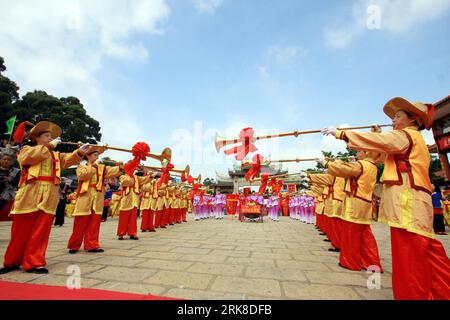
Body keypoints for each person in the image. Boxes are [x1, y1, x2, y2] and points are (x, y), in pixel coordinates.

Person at [322, 96, 450, 300]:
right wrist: (377, 133)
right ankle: (441, 291)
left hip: (408, 203)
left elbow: (381, 144)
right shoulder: (408, 139)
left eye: (398, 116)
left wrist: (341, 133)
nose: (393, 120)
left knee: (410, 255)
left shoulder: (406, 136)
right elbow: (382, 150)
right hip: (412, 202)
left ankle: (414, 295)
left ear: (412, 119)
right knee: (425, 252)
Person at [0, 121, 89, 274]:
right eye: (47, 136)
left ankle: (34, 262)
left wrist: (80, 152)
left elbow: (67, 160)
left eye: (50, 137)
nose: (50, 138)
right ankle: (12, 261)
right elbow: (27, 159)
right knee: (21, 230)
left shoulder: (55, 155)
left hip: (49, 195)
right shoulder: (27, 149)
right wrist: (50, 146)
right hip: (30, 193)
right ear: (36, 138)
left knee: (41, 231)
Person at [318, 150, 383, 272]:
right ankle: (371, 262)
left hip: (355, 203)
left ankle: (351, 262)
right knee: (365, 235)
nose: (356, 154)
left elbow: (343, 169)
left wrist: (326, 163)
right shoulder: (371, 166)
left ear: (366, 153)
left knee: (351, 234)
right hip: (364, 202)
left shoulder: (362, 165)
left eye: (359, 152)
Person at [67, 146, 124, 253]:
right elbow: (83, 176)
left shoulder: (102, 167)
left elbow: (112, 171)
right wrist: (93, 166)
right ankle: (74, 246)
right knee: (80, 223)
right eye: (94, 154)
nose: (97, 156)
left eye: (97, 154)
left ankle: (92, 245)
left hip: (97, 197)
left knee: (94, 223)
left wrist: (120, 167)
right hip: (85, 196)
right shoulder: (81, 166)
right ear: (88, 156)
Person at [0, 151, 20, 221]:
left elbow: (18, 183)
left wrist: (9, 180)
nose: (6, 161)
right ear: (0, 160)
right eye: (4, 159)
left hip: (9, 194)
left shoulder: (16, 171)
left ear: (12, 162)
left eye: (9, 160)